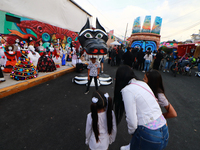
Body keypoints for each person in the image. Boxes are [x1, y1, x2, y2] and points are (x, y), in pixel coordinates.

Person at [114, 65, 169, 150]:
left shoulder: (127, 90)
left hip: (150, 137)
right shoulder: (142, 83)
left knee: (135, 129)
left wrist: (133, 133)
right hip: (165, 132)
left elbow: (132, 122)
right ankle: (132, 145)